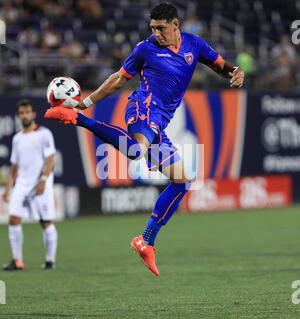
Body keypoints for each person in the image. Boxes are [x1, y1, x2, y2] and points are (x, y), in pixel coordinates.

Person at [45, 3, 244, 276]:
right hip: (142, 107)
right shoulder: (145, 49)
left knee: (182, 181)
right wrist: (84, 105)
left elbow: (221, 66)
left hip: (160, 123)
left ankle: (146, 240)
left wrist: (236, 71)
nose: (156, 33)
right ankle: (76, 120)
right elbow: (118, 79)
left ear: (176, 25)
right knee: (136, 150)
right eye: (152, 28)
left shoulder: (194, 45)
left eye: (160, 28)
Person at [2, 99, 58, 270]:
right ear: (18, 116)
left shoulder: (44, 134)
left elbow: (50, 160)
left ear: (33, 114)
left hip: (40, 183)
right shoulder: (17, 138)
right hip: (22, 184)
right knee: (13, 219)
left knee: (45, 221)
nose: (24, 115)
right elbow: (14, 166)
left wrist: (43, 180)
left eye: (27, 112)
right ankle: (18, 260)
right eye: (21, 113)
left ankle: (50, 259)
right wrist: (8, 188)